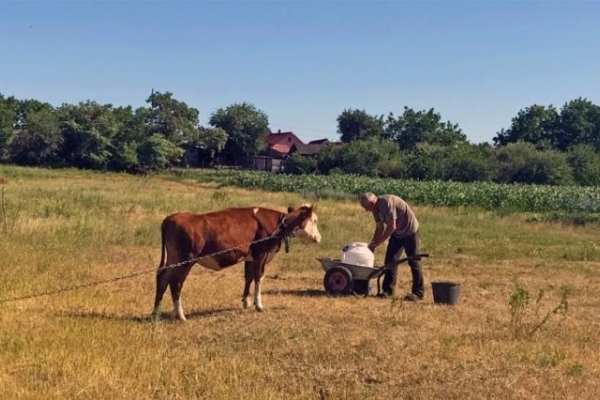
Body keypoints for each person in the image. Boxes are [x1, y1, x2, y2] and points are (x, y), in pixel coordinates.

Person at [359, 192, 424, 301]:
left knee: (414, 261)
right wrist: (372, 244)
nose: (366, 210)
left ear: (373, 202)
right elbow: (379, 228)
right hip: (397, 234)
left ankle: (418, 292)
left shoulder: (387, 203)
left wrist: (378, 242)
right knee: (390, 261)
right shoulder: (375, 210)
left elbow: (392, 226)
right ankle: (388, 291)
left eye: (366, 207)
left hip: (410, 231)